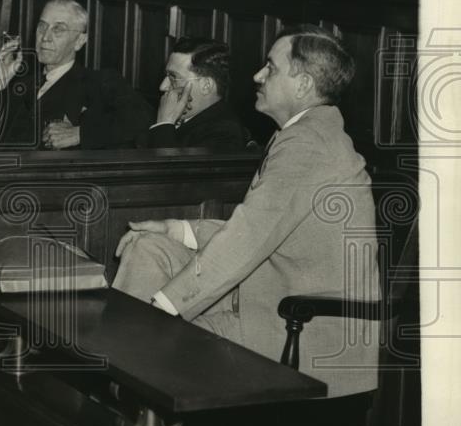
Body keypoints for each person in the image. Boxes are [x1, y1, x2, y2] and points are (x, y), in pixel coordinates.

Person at [112, 25, 380, 398]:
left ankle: (128, 404)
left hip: (299, 327)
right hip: (267, 301)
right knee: (148, 246)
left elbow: (246, 239)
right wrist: (174, 229)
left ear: (302, 85)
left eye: (270, 68)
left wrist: (162, 308)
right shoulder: (303, 133)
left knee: (153, 336)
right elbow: (263, 227)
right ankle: (129, 395)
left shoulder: (308, 145)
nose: (257, 75)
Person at [0, 0, 152, 149]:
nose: (45, 37)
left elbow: (142, 117)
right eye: (42, 26)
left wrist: (79, 134)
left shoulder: (98, 82)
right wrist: (0, 84)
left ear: (79, 41)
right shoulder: (21, 85)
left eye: (58, 29)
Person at [136, 37, 247, 152]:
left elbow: (168, 169)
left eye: (173, 77)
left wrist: (164, 123)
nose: (163, 86)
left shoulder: (224, 133)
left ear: (206, 85)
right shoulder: (177, 116)